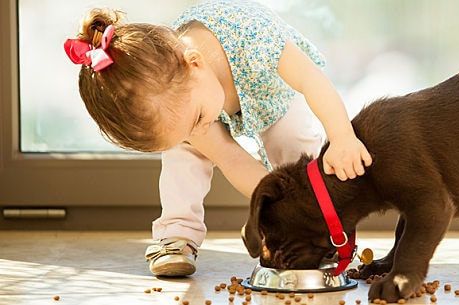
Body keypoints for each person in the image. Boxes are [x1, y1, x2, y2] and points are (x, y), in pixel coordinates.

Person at [64, 0, 372, 277]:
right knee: (184, 156)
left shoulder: (255, 38)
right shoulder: (183, 100)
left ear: (195, 63)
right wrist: (270, 206)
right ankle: (176, 234)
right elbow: (229, 157)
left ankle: (318, 232)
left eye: (196, 120)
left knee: (293, 142)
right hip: (199, 98)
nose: (198, 132)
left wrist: (342, 136)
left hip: (272, 92)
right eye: (186, 130)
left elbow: (311, 79)